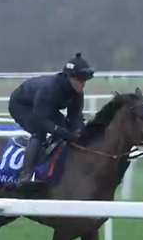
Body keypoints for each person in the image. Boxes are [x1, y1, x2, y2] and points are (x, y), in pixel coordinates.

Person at [7, 52, 94, 190]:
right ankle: (25, 176)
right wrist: (60, 132)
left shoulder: (76, 92)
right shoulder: (50, 88)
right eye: (80, 81)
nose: (83, 85)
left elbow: (75, 115)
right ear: (70, 77)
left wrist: (79, 131)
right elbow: (40, 118)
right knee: (39, 132)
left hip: (45, 107)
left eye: (85, 81)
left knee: (68, 129)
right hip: (22, 105)